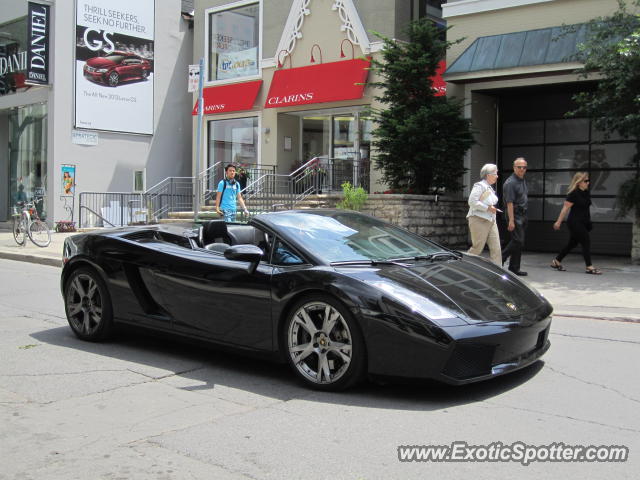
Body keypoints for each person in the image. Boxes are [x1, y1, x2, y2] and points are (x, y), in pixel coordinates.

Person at [551, 172, 602, 274]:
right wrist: (558, 222)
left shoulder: (586, 192)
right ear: (579, 182)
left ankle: (556, 261)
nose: (588, 182)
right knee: (586, 241)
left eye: (588, 180)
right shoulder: (573, 194)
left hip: (583, 222)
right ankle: (589, 266)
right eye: (585, 181)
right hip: (574, 222)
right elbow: (565, 209)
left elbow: (586, 209)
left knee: (572, 244)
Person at [466, 163, 501, 265]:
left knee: (496, 248)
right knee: (477, 248)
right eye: (495, 173)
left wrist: (491, 209)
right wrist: (488, 208)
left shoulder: (490, 188)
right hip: (478, 219)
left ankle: (498, 273)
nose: (497, 176)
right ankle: (464, 266)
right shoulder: (480, 186)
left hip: (491, 220)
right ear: (488, 175)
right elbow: (472, 202)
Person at [501, 157, 529, 276]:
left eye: (524, 167)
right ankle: (500, 259)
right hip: (515, 214)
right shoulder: (510, 182)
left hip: (523, 214)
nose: (522, 169)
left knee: (519, 242)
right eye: (519, 167)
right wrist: (511, 220)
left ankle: (514, 267)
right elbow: (509, 203)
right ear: (514, 168)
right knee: (518, 240)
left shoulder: (521, 179)